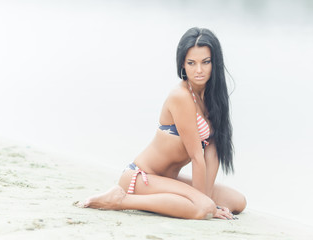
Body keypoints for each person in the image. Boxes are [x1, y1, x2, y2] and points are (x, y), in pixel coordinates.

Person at [77, 27, 246, 220]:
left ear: (215, 63)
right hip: (140, 178)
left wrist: (207, 200)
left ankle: (191, 203)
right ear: (182, 64)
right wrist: (206, 205)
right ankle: (120, 200)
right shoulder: (181, 96)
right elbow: (197, 158)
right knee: (202, 208)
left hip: (167, 180)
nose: (199, 70)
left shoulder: (213, 99)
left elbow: (212, 154)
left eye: (205, 62)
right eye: (191, 63)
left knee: (237, 201)